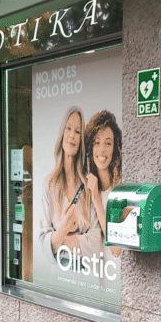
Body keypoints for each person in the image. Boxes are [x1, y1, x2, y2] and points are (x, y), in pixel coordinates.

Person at [39, 108, 99, 266]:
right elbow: (43, 241)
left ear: (81, 140)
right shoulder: (49, 184)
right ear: (62, 133)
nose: (72, 135)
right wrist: (65, 228)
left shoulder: (87, 185)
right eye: (68, 128)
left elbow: (96, 240)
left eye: (78, 131)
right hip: (59, 271)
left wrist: (60, 238)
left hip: (86, 271)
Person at [85, 110, 122, 262]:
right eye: (97, 142)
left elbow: (117, 249)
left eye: (108, 143)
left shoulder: (119, 191)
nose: (101, 150)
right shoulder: (88, 185)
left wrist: (96, 199)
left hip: (116, 272)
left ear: (115, 148)